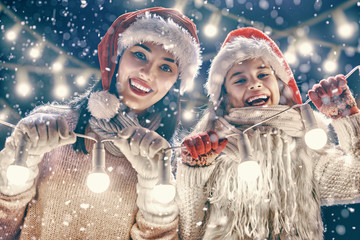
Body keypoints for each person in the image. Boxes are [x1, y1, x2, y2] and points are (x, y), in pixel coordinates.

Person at [0, 7, 201, 239]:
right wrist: (19, 159)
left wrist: (154, 183)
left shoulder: (167, 160)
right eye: (139, 55)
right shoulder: (50, 127)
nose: (147, 72)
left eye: (166, 67)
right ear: (117, 57)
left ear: (175, 84)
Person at [176, 27, 360, 239]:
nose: (255, 83)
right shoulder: (211, 150)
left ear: (279, 85)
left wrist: (345, 115)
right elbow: (190, 232)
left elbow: (356, 180)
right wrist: (194, 171)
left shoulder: (305, 146)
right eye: (239, 80)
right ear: (224, 97)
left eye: (263, 74)